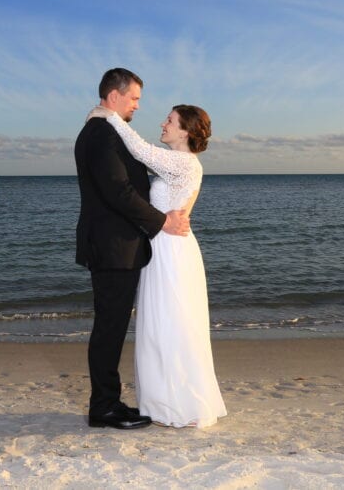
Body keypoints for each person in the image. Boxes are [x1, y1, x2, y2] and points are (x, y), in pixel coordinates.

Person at [86, 102, 227, 429]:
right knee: (160, 326)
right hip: (162, 247)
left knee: (172, 325)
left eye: (170, 120)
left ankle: (183, 405)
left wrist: (109, 115)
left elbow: (140, 150)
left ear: (186, 131)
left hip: (171, 253)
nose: (163, 123)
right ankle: (164, 404)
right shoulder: (177, 164)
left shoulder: (184, 163)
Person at [75, 68, 190, 430]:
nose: (138, 106)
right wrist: (162, 221)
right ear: (114, 96)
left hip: (117, 245)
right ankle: (104, 408)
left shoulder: (105, 129)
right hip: (112, 247)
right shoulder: (102, 134)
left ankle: (109, 402)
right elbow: (118, 192)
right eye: (134, 98)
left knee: (112, 325)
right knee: (109, 327)